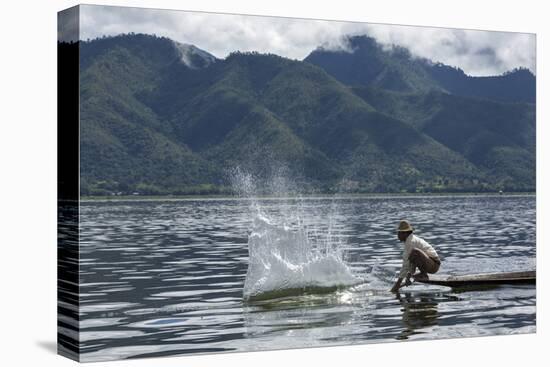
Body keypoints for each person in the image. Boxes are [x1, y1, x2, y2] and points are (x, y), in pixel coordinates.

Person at [390, 220, 441, 293]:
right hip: (429, 263)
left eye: (399, 233)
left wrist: (397, 284)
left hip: (434, 264)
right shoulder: (408, 241)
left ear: (405, 233)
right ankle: (423, 274)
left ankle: (423, 274)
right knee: (413, 254)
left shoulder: (411, 242)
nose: (397, 235)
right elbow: (410, 262)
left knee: (415, 251)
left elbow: (406, 265)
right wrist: (409, 276)